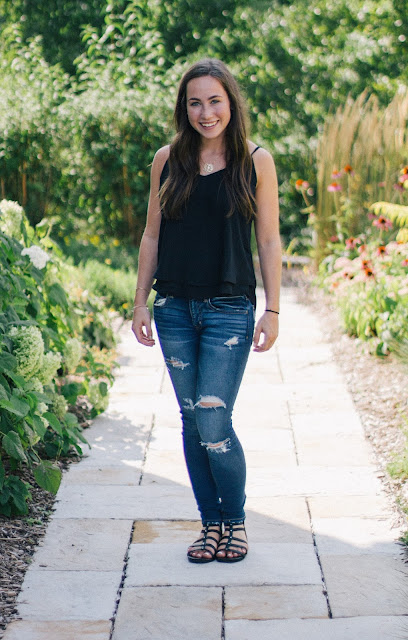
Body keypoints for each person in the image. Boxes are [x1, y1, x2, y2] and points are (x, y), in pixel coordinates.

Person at [132, 58, 281, 564]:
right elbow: (152, 235)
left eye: (215, 100)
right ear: (184, 108)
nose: (206, 112)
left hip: (228, 311)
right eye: (195, 102)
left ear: (231, 103)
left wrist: (273, 310)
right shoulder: (167, 159)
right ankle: (210, 525)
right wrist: (140, 302)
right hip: (174, 308)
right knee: (192, 421)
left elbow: (268, 239)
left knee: (214, 420)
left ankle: (234, 520)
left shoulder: (256, 161)